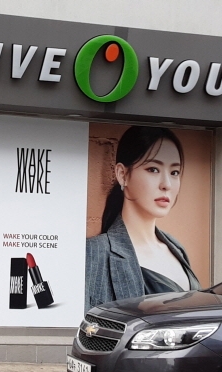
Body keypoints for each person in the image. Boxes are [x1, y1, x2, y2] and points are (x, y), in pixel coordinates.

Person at [85, 126, 200, 311]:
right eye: (153, 169)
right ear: (122, 174)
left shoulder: (176, 248)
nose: (166, 184)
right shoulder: (94, 253)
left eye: (174, 172)